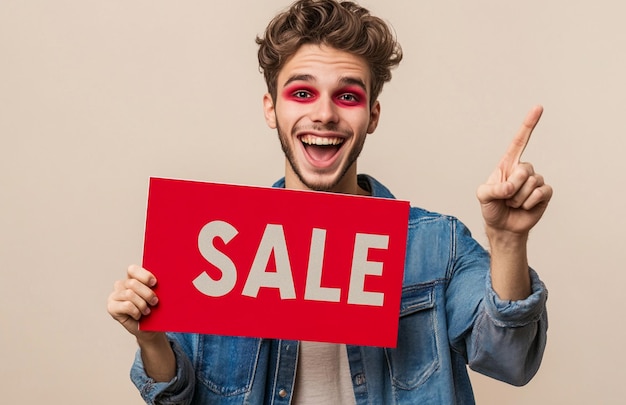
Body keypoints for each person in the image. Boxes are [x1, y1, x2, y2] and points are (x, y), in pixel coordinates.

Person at [107, 0, 552, 403]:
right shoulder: (215, 241)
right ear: (270, 109)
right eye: (302, 92)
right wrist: (151, 340)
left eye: (348, 95)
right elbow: (175, 398)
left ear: (372, 115)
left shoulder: (438, 246)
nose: (324, 113)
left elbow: (510, 360)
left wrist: (509, 239)